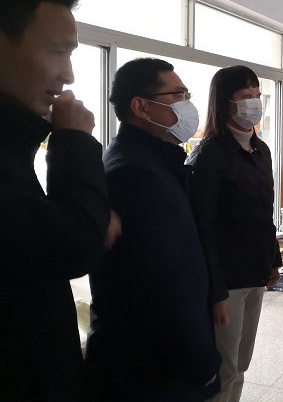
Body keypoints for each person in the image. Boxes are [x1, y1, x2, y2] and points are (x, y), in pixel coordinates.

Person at [0, 0, 111, 401]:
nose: (68, 75)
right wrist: (74, 143)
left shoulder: (14, 140)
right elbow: (71, 247)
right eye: (57, 52)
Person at [84, 58, 221, 401]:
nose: (187, 104)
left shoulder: (155, 161)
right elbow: (162, 284)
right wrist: (202, 361)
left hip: (158, 361)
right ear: (141, 107)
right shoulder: (135, 174)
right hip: (152, 368)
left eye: (187, 94)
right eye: (178, 95)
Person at [188, 65, 281, 402]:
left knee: (241, 363)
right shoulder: (210, 154)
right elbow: (203, 228)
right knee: (223, 368)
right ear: (226, 102)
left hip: (255, 274)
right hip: (226, 282)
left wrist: (274, 260)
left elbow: (265, 213)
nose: (254, 102)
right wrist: (216, 292)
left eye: (257, 94)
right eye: (245, 95)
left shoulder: (261, 150)